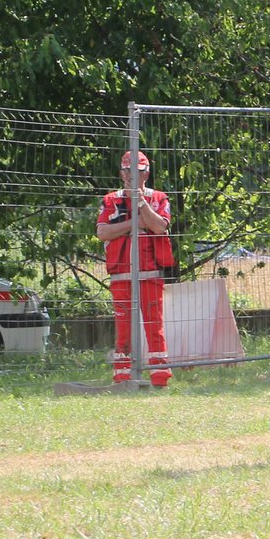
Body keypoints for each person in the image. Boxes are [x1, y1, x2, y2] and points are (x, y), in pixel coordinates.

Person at [96, 150, 174, 388]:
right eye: (128, 171)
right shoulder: (111, 200)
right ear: (121, 173)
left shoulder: (159, 198)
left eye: (137, 172)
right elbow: (102, 232)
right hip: (121, 276)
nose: (132, 176)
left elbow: (160, 227)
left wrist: (140, 202)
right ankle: (123, 378)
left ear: (146, 173)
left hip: (150, 275)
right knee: (123, 329)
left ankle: (160, 378)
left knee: (154, 327)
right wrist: (135, 224)